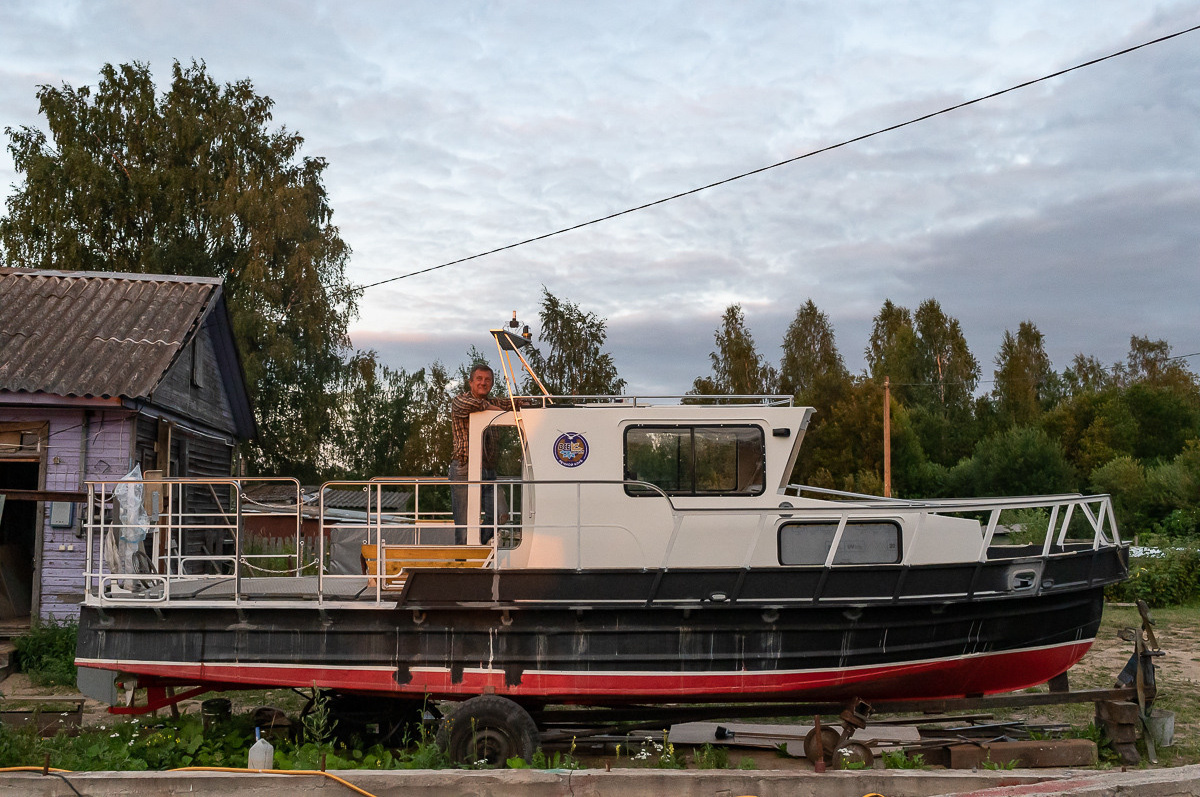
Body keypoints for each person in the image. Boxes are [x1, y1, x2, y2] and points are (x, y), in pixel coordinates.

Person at [449, 364, 511, 544]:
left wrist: (537, 404)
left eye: (487, 380)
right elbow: (477, 405)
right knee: (465, 525)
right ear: (470, 382)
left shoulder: (494, 402)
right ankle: (464, 564)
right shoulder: (460, 401)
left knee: (501, 515)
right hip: (464, 468)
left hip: (489, 470)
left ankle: (480, 547)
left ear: (492, 383)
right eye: (479, 379)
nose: (483, 383)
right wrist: (499, 411)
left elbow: (514, 403)